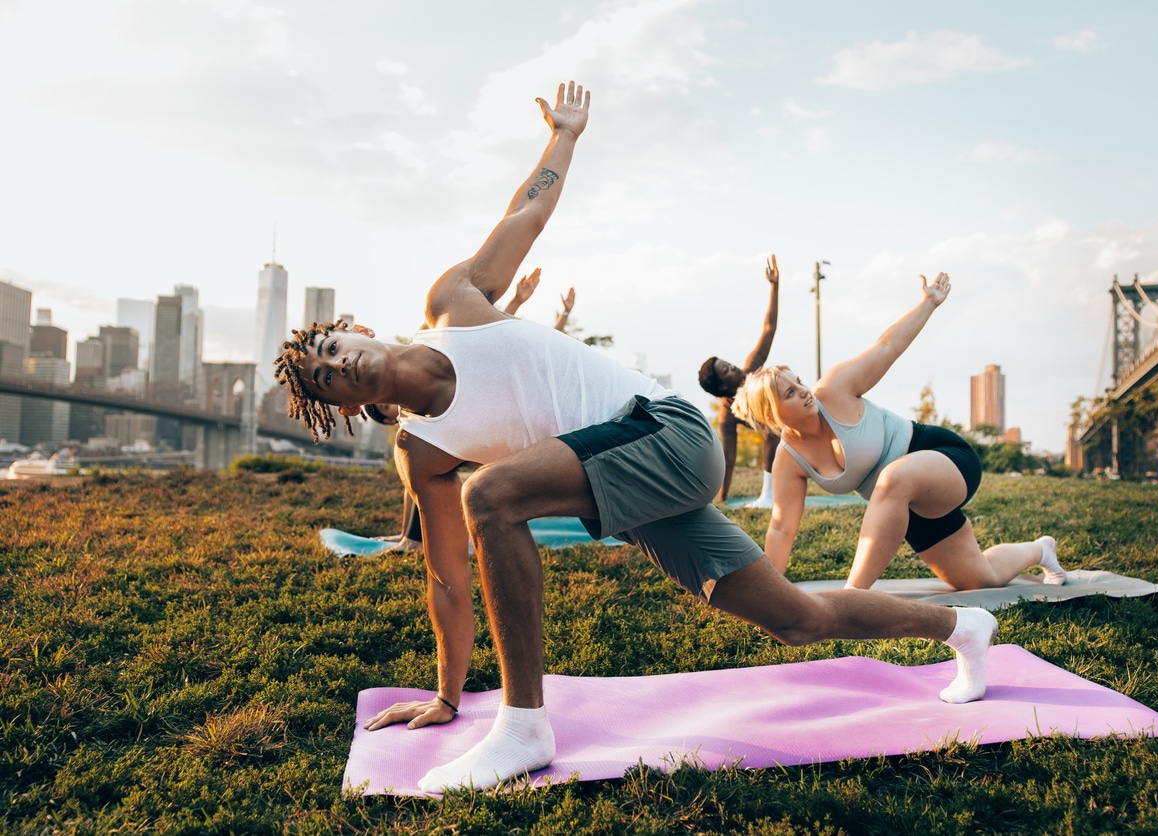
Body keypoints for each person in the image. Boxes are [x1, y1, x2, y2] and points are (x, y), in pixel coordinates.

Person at [273, 80, 1000, 793]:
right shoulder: (421, 452)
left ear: (352, 330)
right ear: (339, 408)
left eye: (333, 350)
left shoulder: (454, 303)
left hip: (669, 432)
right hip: (636, 489)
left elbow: (522, 216)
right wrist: (445, 696)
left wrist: (562, 135)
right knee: (795, 619)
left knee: (492, 495)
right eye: (326, 380)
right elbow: (446, 579)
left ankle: (524, 728)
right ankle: (959, 628)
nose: (340, 367)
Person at [732, 271, 1066, 593]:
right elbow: (781, 526)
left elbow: (887, 346)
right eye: (789, 392)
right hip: (904, 502)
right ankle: (1040, 550)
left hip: (942, 457)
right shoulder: (789, 460)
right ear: (771, 413)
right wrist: (769, 594)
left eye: (798, 381)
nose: (803, 390)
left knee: (891, 478)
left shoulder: (834, 389)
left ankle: (853, 598)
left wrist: (929, 303)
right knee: (981, 579)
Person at [362, 270, 576, 553]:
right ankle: (408, 537)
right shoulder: (420, 420)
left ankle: (412, 541)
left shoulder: (452, 370)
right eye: (389, 410)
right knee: (414, 471)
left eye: (388, 403)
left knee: (421, 467)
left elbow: (496, 335)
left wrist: (531, 304)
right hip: (484, 437)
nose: (397, 405)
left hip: (515, 434)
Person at [698, 255, 780, 507]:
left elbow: (769, 328)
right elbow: (729, 457)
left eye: (728, 363)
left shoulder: (751, 370)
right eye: (727, 370)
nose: (733, 366)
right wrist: (722, 497)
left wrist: (774, 286)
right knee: (771, 429)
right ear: (723, 387)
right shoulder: (728, 413)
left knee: (772, 428)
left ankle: (770, 493)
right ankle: (769, 493)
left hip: (798, 415)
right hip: (782, 434)